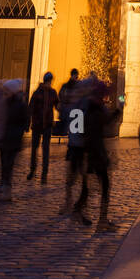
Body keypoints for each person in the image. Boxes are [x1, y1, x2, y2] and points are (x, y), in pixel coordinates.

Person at [75, 78, 121, 231]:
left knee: (88, 187)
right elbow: (107, 124)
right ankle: (102, 221)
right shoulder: (97, 108)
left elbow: (80, 129)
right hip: (96, 152)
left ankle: (78, 210)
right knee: (105, 185)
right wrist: (119, 109)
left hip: (87, 151)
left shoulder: (86, 106)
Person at [61, 74, 90, 213]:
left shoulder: (84, 106)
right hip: (74, 146)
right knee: (72, 178)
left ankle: (75, 202)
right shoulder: (75, 105)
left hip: (80, 147)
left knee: (81, 177)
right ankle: (69, 202)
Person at [27, 72, 59, 181]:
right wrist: (28, 123)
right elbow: (31, 108)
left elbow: (57, 105)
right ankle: (33, 170)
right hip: (37, 124)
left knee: (45, 149)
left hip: (47, 125)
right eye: (49, 81)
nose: (50, 83)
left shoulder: (53, 92)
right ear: (46, 81)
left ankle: (44, 174)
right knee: (34, 149)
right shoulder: (37, 92)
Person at [0, 79, 27, 200]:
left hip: (13, 139)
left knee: (8, 164)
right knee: (4, 163)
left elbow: (24, 122)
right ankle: (4, 184)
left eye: (7, 90)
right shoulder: (4, 102)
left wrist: (17, 133)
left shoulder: (20, 104)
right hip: (4, 137)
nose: (5, 92)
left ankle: (7, 188)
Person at [58, 69, 81, 135]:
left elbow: (61, 96)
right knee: (71, 132)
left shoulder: (66, 86)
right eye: (76, 76)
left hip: (70, 111)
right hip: (69, 111)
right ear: (73, 75)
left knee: (72, 132)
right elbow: (61, 96)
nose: (77, 77)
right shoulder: (67, 86)